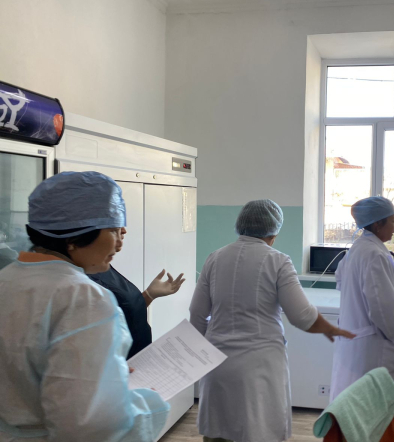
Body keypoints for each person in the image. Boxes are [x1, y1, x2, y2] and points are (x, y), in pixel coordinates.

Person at [0, 171, 169, 441]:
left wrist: (103, 374)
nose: (121, 239)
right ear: (74, 237)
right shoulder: (84, 297)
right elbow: (91, 425)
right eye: (113, 229)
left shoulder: (8, 279)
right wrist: (146, 400)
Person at [190, 199, 355, 442]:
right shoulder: (278, 261)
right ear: (274, 233)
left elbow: (197, 313)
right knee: (258, 432)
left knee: (218, 432)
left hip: (218, 365)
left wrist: (200, 356)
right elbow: (302, 316)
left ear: (240, 225)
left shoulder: (214, 258)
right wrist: (330, 328)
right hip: (258, 368)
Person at [330, 196, 394, 431]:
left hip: (359, 343)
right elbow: (382, 310)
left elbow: (341, 282)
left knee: (359, 414)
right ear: (377, 224)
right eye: (393, 221)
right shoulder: (374, 254)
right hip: (374, 348)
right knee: (373, 417)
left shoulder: (358, 249)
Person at [89, 227, 185, 358]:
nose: (124, 231)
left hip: (135, 359)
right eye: (113, 228)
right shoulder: (81, 283)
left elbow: (123, 312)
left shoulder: (102, 266)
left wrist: (149, 295)